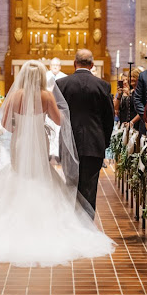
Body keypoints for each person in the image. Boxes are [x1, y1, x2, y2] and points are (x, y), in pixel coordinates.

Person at [0, 60, 115, 266]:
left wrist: (21, 126)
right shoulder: (46, 95)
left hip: (19, 140)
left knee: (19, 173)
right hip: (39, 140)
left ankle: (13, 225)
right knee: (40, 173)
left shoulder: (16, 95)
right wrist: (54, 116)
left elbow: (4, 124)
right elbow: (59, 121)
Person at [57, 49, 115, 218]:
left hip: (69, 142)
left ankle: (72, 224)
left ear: (75, 63)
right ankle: (87, 226)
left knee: (70, 185)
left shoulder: (62, 84)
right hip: (94, 143)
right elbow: (109, 118)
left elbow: (59, 114)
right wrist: (103, 142)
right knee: (89, 188)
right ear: (92, 64)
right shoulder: (102, 85)